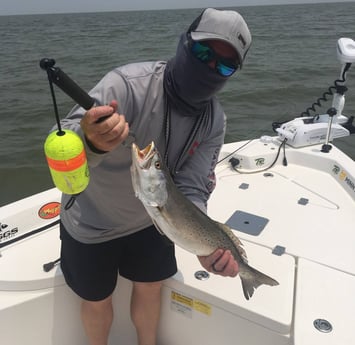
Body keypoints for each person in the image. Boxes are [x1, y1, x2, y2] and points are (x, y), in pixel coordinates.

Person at [58, 7, 251, 345]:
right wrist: (90, 141)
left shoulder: (213, 121)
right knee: (97, 300)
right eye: (203, 52)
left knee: (150, 288)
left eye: (223, 65)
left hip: (155, 220)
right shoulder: (127, 86)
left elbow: (193, 187)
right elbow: (62, 150)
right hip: (91, 221)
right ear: (184, 43)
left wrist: (203, 243)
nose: (209, 68)